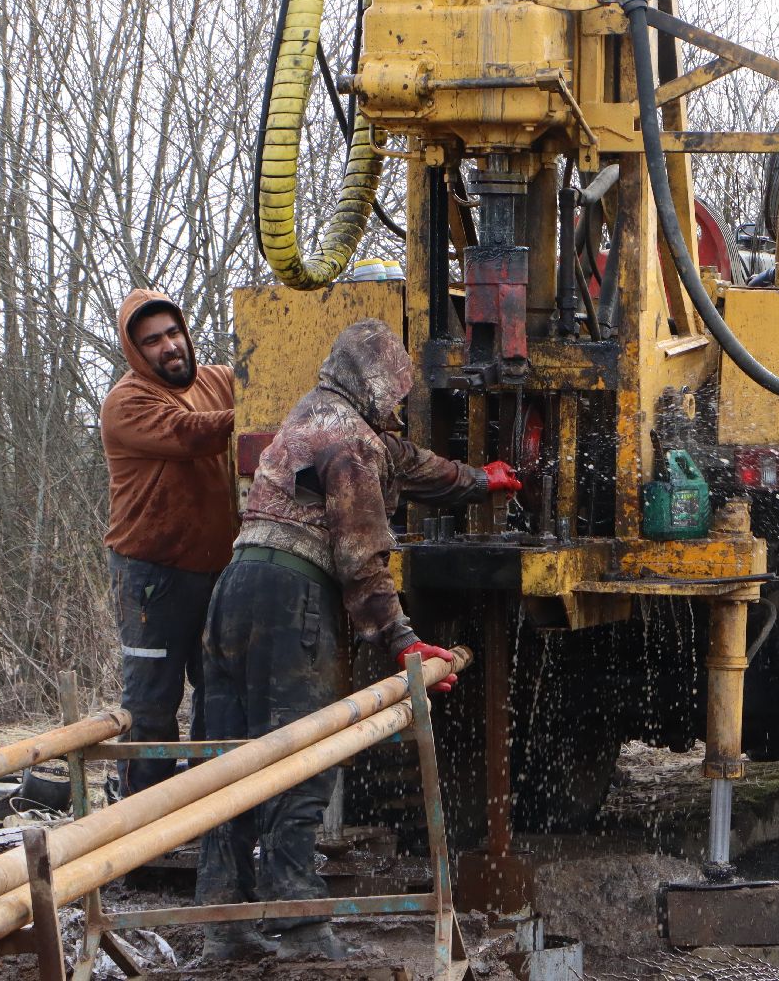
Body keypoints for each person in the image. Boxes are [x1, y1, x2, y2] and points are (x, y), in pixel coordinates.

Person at [195, 319, 521, 962]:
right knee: (300, 755)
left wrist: (480, 480)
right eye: (395, 394)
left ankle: (223, 921)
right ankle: (301, 925)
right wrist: (401, 641)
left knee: (227, 758)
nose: (398, 407)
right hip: (291, 598)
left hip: (233, 588)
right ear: (373, 385)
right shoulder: (351, 445)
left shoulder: (318, 415)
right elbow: (361, 559)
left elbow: (408, 463)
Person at [101, 290, 236, 797]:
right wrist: (259, 409)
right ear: (137, 352)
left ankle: (205, 809)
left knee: (220, 690)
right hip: (151, 574)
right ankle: (142, 819)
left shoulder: (219, 380)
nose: (170, 347)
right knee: (152, 699)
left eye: (173, 333)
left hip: (219, 568)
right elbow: (194, 434)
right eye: (153, 341)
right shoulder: (128, 402)